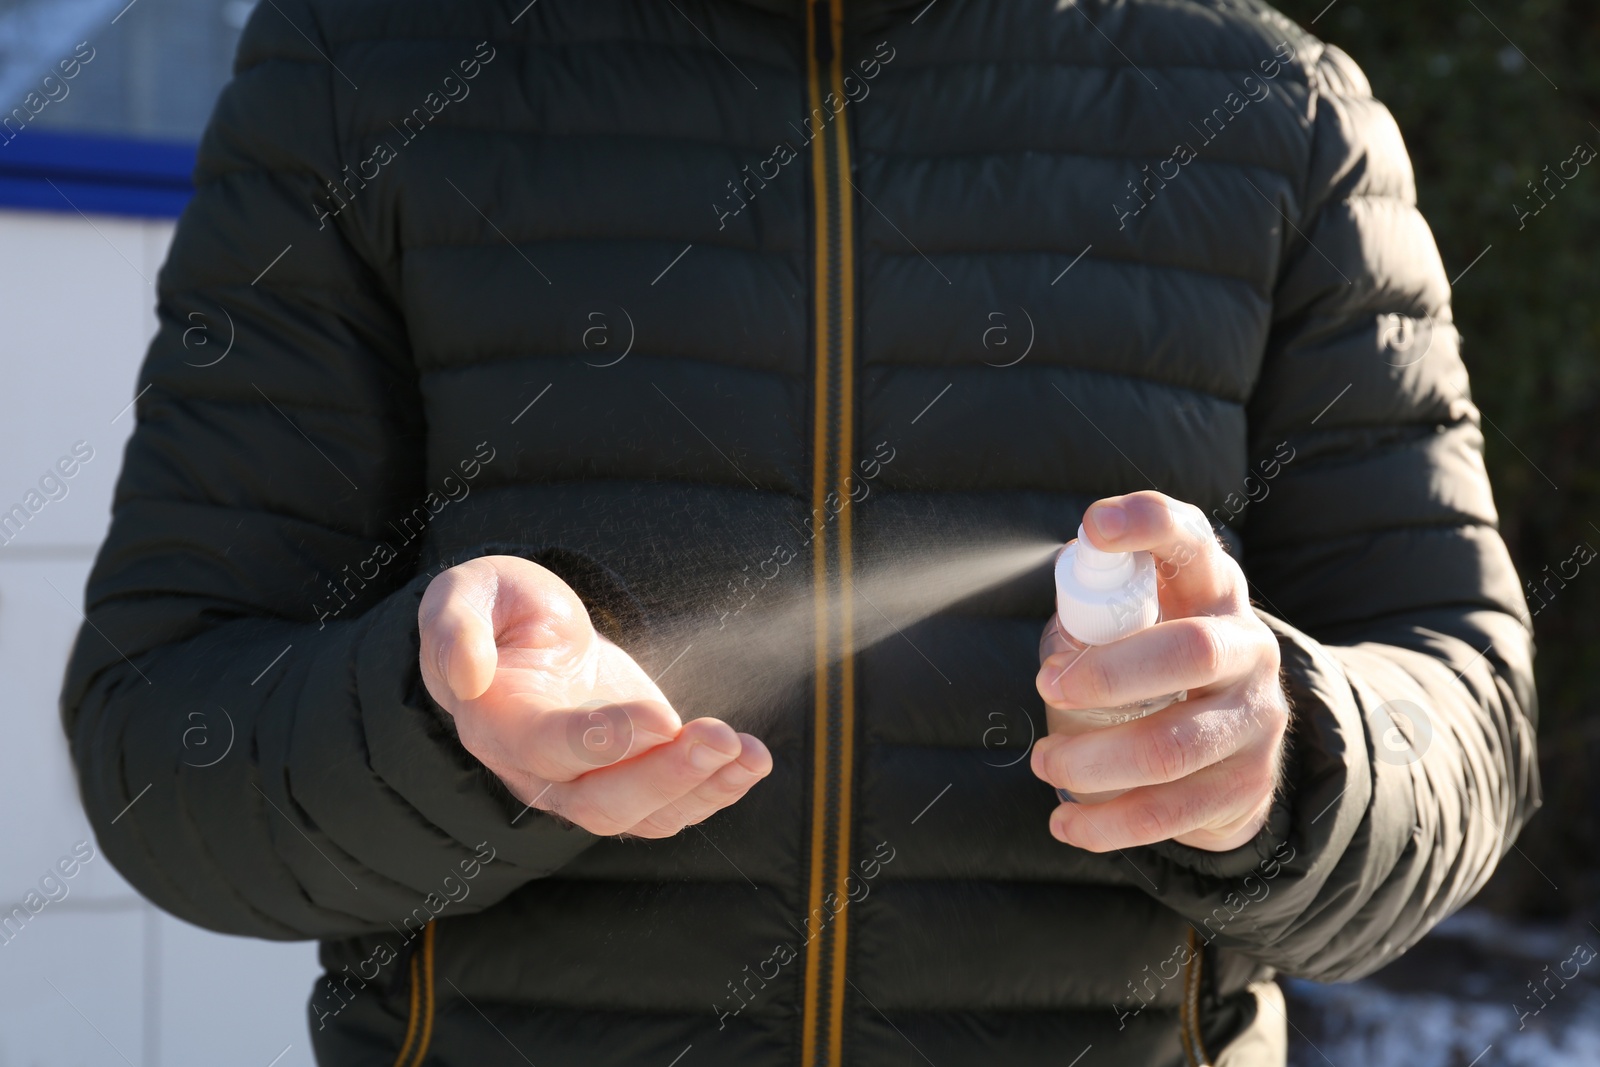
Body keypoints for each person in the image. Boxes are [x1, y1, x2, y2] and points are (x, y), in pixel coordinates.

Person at [62, 0, 1539, 1064]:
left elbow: (1467, 715)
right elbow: (163, 752)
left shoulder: (1276, 120)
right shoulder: (363, 69)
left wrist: (1288, 751)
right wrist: (434, 730)